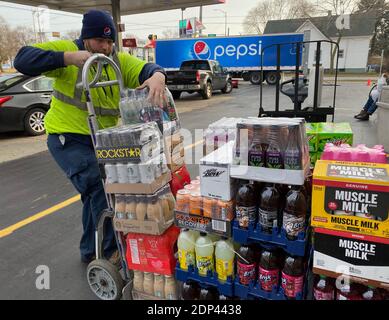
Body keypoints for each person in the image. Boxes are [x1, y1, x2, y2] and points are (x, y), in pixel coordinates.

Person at [14, 9, 167, 265]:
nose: (105, 47)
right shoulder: (68, 50)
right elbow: (23, 59)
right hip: (68, 138)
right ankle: (109, 253)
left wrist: (158, 76)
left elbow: (147, 68)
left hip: (102, 141)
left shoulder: (116, 60)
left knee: (97, 193)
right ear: (86, 38)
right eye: (100, 41)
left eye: (110, 42)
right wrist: (68, 58)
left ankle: (89, 250)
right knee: (100, 186)